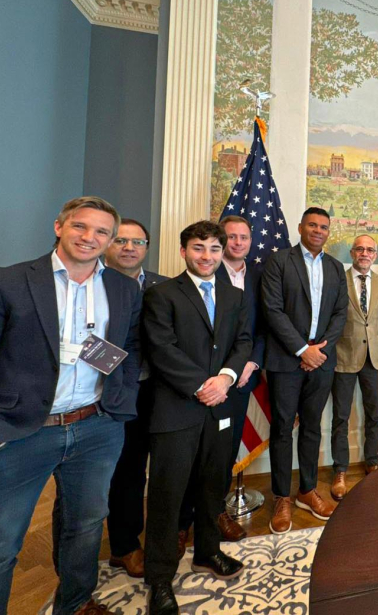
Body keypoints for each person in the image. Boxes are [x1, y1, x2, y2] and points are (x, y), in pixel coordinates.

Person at [0, 197, 142, 615]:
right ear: (59, 227)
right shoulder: (5, 282)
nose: (90, 237)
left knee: (85, 528)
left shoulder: (122, 288)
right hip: (16, 435)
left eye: (102, 232)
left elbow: (129, 348)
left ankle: (75, 603)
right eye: (80, 227)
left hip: (96, 429)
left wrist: (119, 403)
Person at [141, 221, 253, 614]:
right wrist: (201, 385)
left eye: (214, 249)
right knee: (167, 496)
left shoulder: (233, 295)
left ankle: (208, 552)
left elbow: (243, 342)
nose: (207, 256)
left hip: (220, 405)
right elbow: (162, 348)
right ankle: (159, 578)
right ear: (184, 251)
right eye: (198, 248)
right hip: (177, 408)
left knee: (212, 486)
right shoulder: (162, 294)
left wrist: (224, 379)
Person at [173, 215, 266, 550]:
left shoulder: (260, 274)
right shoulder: (202, 274)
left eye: (244, 237)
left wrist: (247, 364)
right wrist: (213, 378)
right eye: (231, 237)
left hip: (241, 379)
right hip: (200, 383)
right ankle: (182, 521)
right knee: (190, 456)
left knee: (222, 454)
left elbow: (260, 328)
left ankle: (213, 514)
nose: (237, 242)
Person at [261, 208, 348, 534]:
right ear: (300, 227)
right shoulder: (279, 261)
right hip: (287, 361)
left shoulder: (335, 267)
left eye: (323, 227)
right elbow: (272, 310)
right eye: (312, 225)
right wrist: (302, 350)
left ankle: (307, 490)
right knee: (283, 428)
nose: (317, 230)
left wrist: (319, 351)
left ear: (328, 232)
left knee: (312, 426)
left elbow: (340, 313)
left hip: (322, 360)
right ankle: (282, 496)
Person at [104, 218, 167, 579]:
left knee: (156, 467)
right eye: (121, 240)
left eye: (137, 242)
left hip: (159, 391)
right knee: (125, 471)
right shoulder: (92, 285)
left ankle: (158, 535)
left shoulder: (162, 285)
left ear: (147, 247)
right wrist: (123, 372)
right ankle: (124, 546)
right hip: (111, 394)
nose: (129, 248)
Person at [329, 235, 378, 501]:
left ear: (375, 255)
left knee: (373, 414)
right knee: (341, 417)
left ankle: (372, 461)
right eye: (360, 249)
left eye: (370, 250)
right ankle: (340, 469)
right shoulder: (337, 280)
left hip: (374, 358)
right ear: (353, 252)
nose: (365, 253)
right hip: (343, 356)